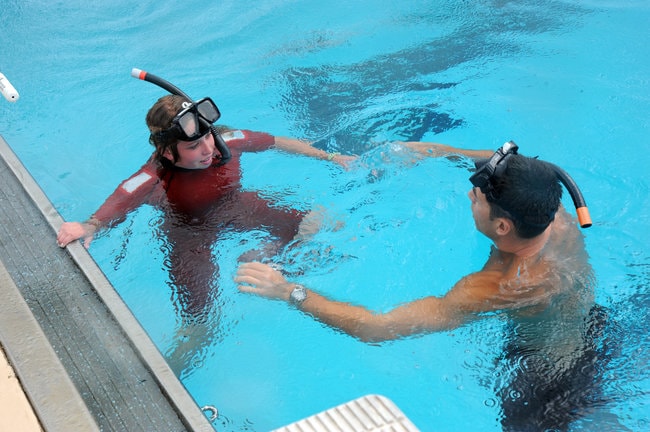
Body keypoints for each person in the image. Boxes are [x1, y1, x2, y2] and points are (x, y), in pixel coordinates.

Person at [235, 141, 614, 431]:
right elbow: (513, 166)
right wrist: (431, 151)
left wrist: (289, 291)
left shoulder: (501, 285)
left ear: (502, 227)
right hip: (593, 323)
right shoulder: (549, 209)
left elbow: (375, 328)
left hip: (548, 378)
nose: (470, 196)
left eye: (478, 198)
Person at [57, 93, 355, 373]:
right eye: (193, 147)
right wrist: (90, 225)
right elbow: (124, 195)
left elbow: (277, 142)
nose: (208, 150)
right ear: (167, 152)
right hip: (189, 232)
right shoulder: (154, 174)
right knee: (201, 322)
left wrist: (330, 158)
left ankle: (268, 257)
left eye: (207, 138)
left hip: (236, 206)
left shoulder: (227, 141)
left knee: (322, 221)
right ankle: (165, 377)